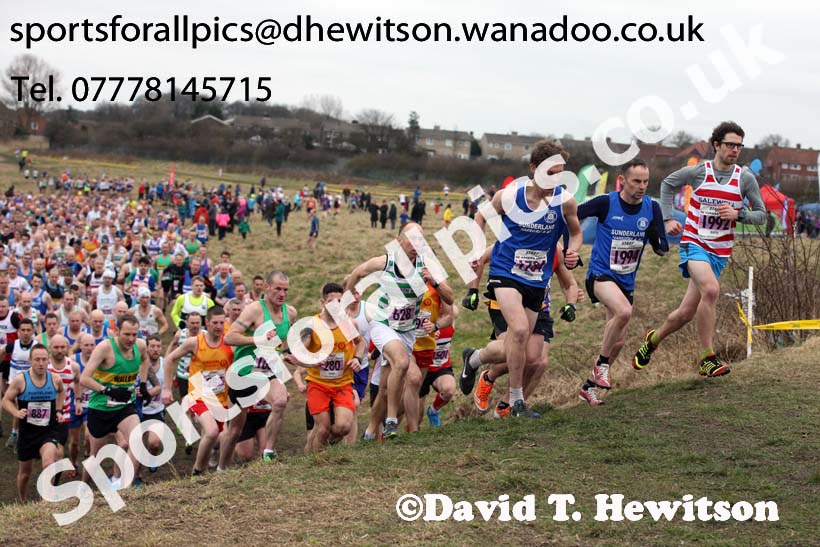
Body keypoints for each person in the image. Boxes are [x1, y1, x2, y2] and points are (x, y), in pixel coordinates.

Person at [632, 122, 766, 378]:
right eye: (730, 144)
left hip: (720, 251)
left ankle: (652, 340)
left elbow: (762, 216)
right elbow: (668, 185)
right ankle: (707, 357)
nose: (735, 150)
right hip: (694, 243)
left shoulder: (745, 178)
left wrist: (739, 214)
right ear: (716, 145)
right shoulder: (698, 172)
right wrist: (669, 218)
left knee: (685, 313)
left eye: (739, 145)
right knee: (712, 291)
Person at [460, 140, 582, 417]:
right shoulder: (509, 196)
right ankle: (516, 402)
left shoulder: (565, 201)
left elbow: (576, 233)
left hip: (536, 280)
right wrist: (479, 249)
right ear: (534, 168)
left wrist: (573, 251)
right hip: (505, 271)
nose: (557, 179)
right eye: (551, 172)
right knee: (519, 331)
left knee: (523, 350)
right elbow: (480, 217)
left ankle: (475, 358)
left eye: (561, 172)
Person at [346, 222, 454, 438]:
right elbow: (358, 272)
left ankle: (369, 431)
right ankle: (392, 421)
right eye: (411, 238)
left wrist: (433, 281)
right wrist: (347, 301)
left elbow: (450, 297)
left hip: (407, 331)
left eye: (420, 239)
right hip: (383, 323)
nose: (416, 244)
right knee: (403, 363)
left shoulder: (428, 264)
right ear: (399, 241)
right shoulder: (386, 261)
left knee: (386, 390)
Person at [576, 159, 668, 405]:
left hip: (626, 281)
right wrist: (568, 245)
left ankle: (588, 387)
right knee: (624, 312)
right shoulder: (606, 202)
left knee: (618, 340)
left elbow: (661, 248)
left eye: (646, 181)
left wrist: (660, 232)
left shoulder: (651, 208)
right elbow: (573, 215)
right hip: (600, 275)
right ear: (623, 180)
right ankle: (602, 366)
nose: (642, 186)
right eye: (636, 181)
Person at [219, 270, 296, 467]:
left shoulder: (291, 312)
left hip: (265, 372)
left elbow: (282, 343)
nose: (282, 294)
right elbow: (229, 337)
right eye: (278, 289)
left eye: (285, 290)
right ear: (267, 288)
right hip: (243, 373)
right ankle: (221, 467)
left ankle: (268, 452)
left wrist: (288, 354)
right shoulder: (254, 309)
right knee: (235, 429)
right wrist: (257, 339)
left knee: (279, 401)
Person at [80, 314, 150, 488]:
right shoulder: (104, 348)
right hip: (101, 408)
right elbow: (84, 379)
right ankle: (83, 487)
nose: (131, 339)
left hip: (125, 407)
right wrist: (108, 390)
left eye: (134, 334)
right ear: (117, 331)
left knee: (136, 440)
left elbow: (145, 360)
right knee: (95, 456)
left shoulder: (140, 346)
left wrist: (142, 383)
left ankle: (123, 487)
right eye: (127, 334)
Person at [293, 283, 365, 453]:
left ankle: (314, 449)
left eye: (340, 302)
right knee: (323, 428)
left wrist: (357, 357)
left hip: (343, 384)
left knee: (343, 427)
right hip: (318, 384)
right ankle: (316, 460)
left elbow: (360, 342)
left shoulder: (347, 324)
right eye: (331, 302)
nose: (336, 306)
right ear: (322, 303)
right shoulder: (312, 325)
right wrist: (313, 360)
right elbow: (299, 354)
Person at [163, 306, 233, 475]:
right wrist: (166, 388)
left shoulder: (229, 342)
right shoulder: (195, 342)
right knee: (211, 431)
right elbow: (169, 359)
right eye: (214, 322)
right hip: (198, 395)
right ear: (206, 323)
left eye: (221, 323)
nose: (218, 326)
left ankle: (204, 470)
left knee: (216, 437)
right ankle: (197, 470)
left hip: (221, 398)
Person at [2, 344, 64, 501]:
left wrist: (58, 410)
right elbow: (6, 400)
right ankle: (22, 499)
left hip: (47, 431)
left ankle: (46, 500)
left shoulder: (55, 379)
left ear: (48, 360)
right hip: (27, 434)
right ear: (30, 361)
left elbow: (61, 392)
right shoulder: (20, 381)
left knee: (49, 462)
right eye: (37, 359)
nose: (41, 363)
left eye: (44, 359)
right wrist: (16, 412)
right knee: (25, 473)